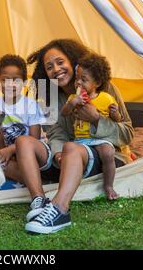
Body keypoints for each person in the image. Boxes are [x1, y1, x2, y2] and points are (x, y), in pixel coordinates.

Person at [16, 39, 134, 234]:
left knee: (71, 148)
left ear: (73, 62)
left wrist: (97, 120)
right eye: (49, 67)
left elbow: (128, 134)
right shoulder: (51, 98)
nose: (56, 69)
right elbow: (56, 133)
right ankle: (39, 202)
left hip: (105, 155)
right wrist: (56, 154)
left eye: (60, 62)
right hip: (68, 157)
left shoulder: (103, 88)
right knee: (23, 143)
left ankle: (60, 209)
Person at [60, 55, 122, 200]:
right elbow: (64, 113)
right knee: (72, 153)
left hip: (100, 138)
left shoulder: (106, 98)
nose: (78, 83)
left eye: (84, 79)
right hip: (81, 140)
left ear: (97, 83)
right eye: (77, 79)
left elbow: (117, 120)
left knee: (108, 152)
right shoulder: (72, 98)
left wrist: (115, 114)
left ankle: (108, 185)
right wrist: (72, 103)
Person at [0, 55, 47, 182]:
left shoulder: (31, 105)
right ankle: (29, 177)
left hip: (30, 155)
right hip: (9, 156)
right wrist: (2, 153)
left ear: (25, 82)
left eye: (16, 80)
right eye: (5, 80)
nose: (10, 84)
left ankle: (32, 176)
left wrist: (10, 150)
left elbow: (34, 140)